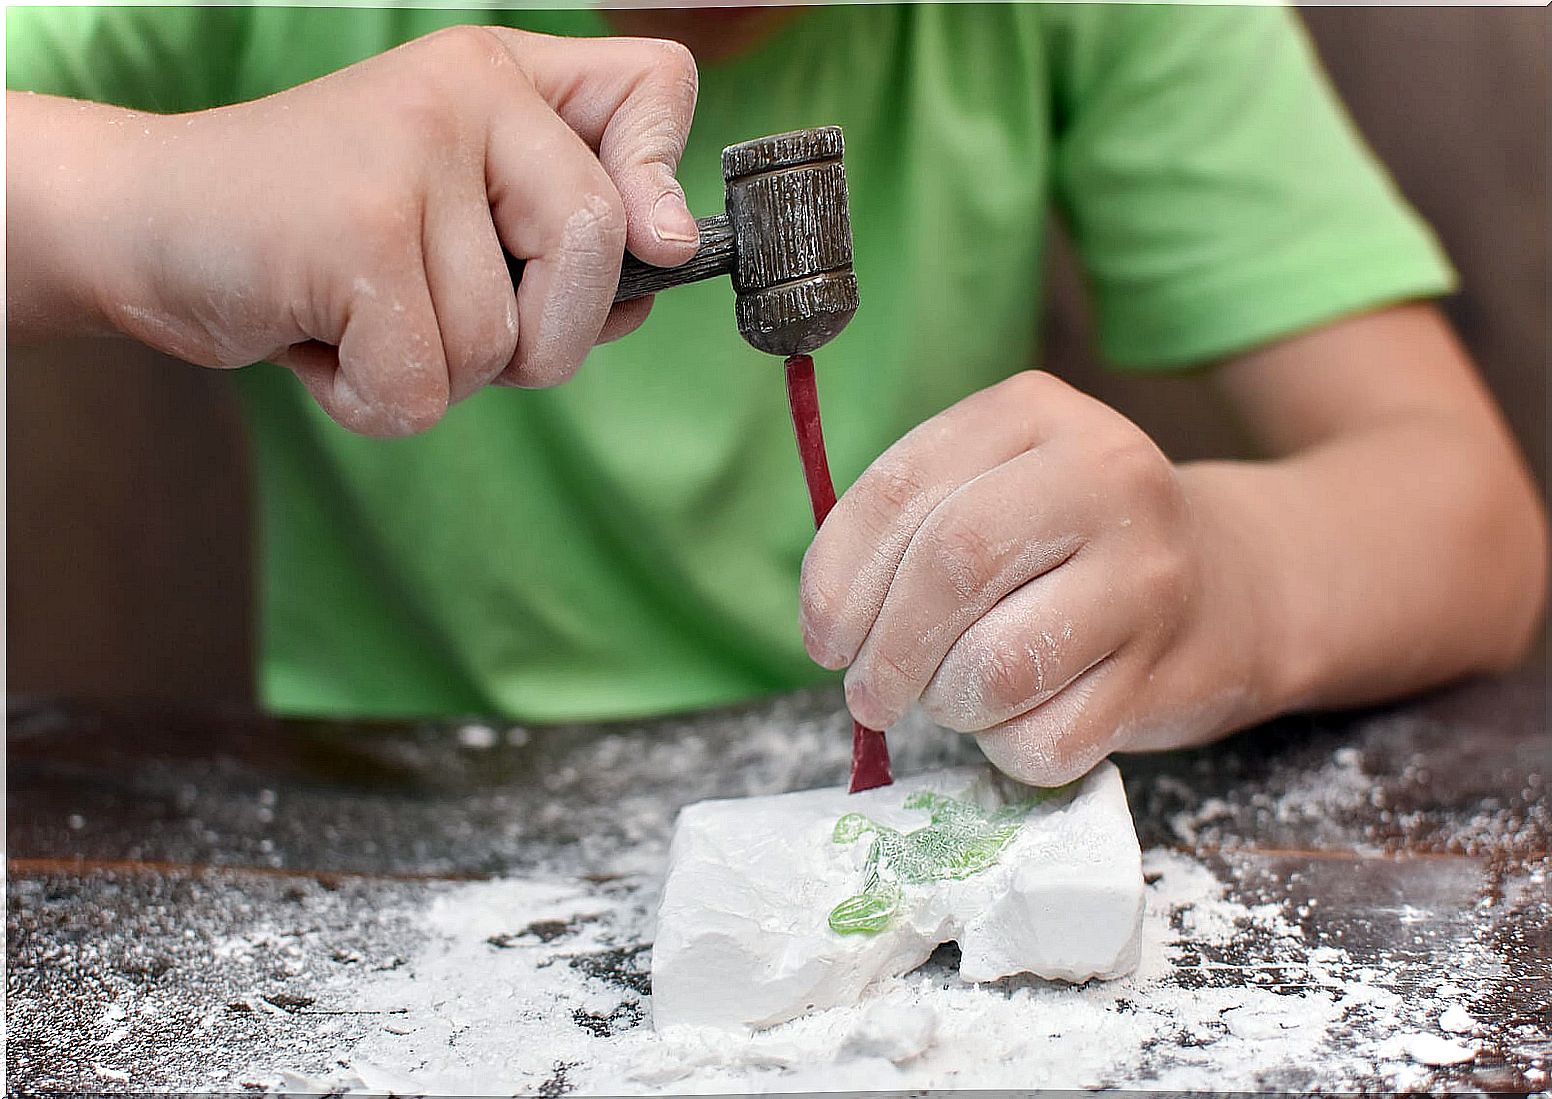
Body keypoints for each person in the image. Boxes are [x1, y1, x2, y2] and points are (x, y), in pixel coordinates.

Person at [7, 4, 1545, 786]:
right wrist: (124, 201)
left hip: (931, 782)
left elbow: (1469, 517)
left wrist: (1228, 582)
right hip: (410, 832)